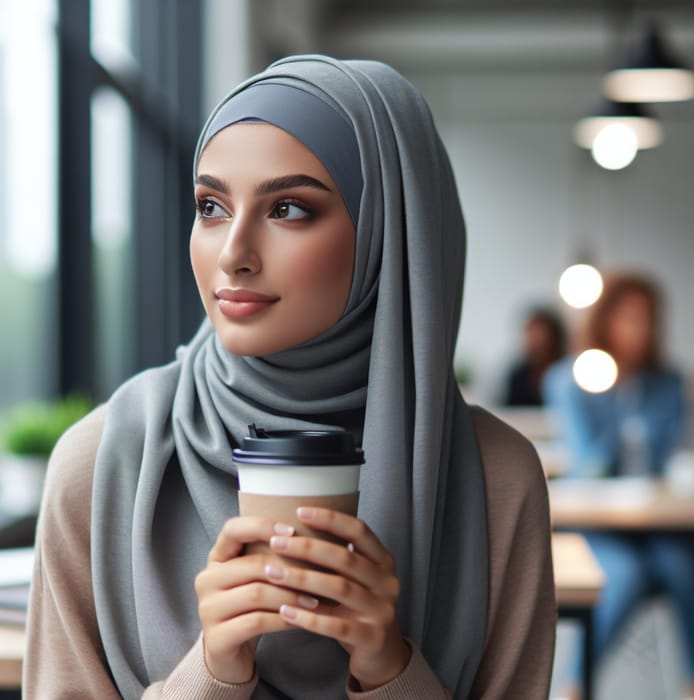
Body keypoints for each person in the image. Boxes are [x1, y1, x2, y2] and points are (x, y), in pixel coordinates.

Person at [24, 55, 555, 699]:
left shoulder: (495, 479)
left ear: (390, 232)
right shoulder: (107, 463)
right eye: (211, 205)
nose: (234, 253)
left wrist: (390, 669)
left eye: (290, 210)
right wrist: (212, 672)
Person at [544, 272, 694, 695]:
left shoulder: (668, 383)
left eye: (648, 319)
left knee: (683, 566)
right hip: (598, 524)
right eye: (630, 317)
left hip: (659, 524)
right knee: (625, 574)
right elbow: (588, 462)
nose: (641, 329)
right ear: (606, 320)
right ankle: (576, 686)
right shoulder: (572, 380)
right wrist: (614, 400)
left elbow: (670, 457)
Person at [503, 306, 566, 406]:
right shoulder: (518, 376)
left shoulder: (565, 373)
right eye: (534, 335)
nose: (538, 341)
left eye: (542, 335)